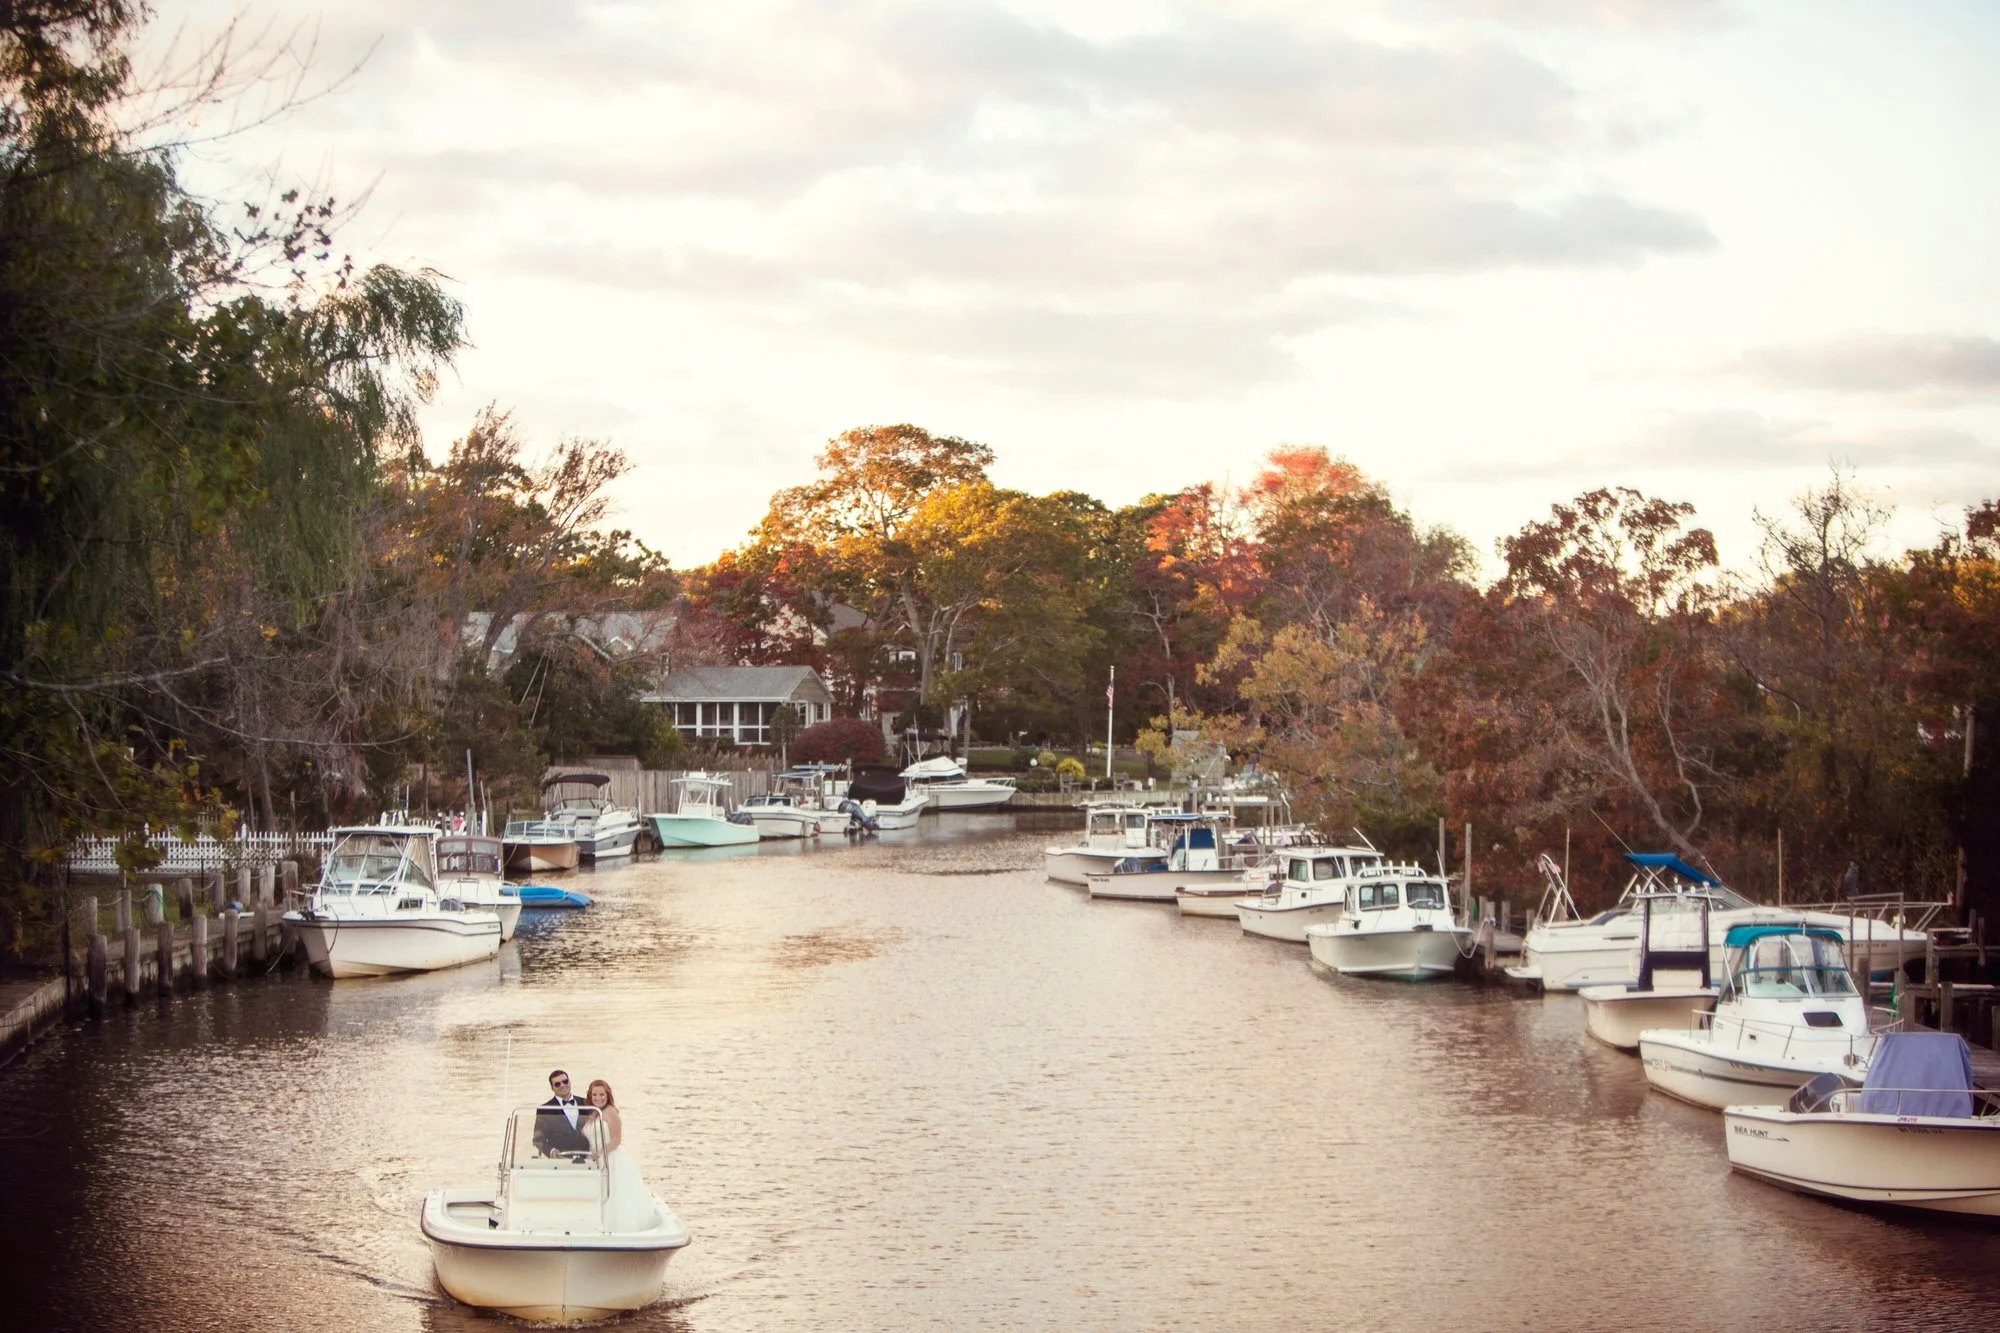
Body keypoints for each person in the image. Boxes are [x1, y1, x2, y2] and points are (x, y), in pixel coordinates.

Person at [586, 1078, 655, 1231]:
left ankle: (612, 1227)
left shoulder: (610, 1112)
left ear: (608, 1095)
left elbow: (617, 1140)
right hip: (594, 1161)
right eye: (595, 1094)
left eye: (602, 1094)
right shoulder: (593, 1113)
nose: (598, 1098)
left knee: (612, 1195)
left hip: (609, 1158)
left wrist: (600, 1152)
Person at [533, 1069, 593, 1157]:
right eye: (557, 1084)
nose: (562, 1085)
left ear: (570, 1082)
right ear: (552, 1088)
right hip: (560, 1160)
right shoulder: (545, 1109)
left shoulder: (585, 1103)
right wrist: (551, 1151)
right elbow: (537, 1138)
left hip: (588, 1158)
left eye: (565, 1081)